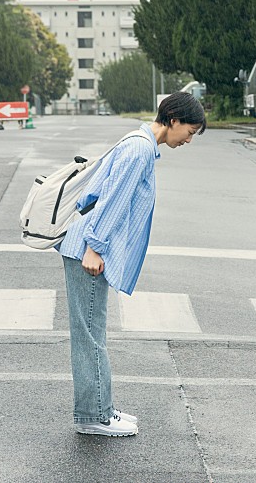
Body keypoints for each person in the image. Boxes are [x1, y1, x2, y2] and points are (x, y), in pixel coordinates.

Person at [57, 91, 206, 436]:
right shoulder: (139, 150)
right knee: (90, 335)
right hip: (89, 249)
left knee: (92, 331)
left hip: (89, 246)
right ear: (173, 120)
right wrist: (95, 248)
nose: (189, 140)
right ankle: (94, 416)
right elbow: (112, 201)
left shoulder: (138, 144)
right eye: (190, 131)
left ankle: (100, 408)